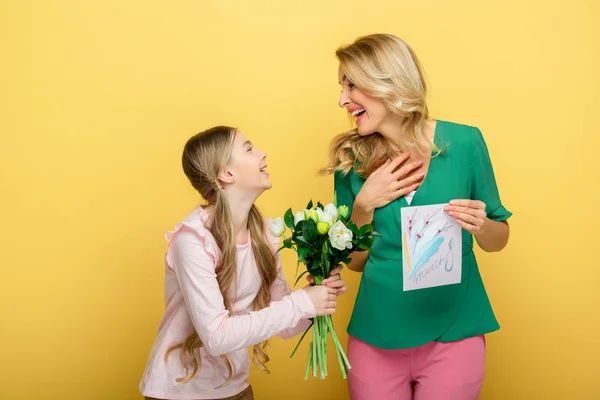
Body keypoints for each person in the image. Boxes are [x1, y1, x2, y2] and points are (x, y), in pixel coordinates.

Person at [324, 33, 512, 399]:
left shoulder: (465, 143)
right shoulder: (350, 160)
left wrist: (482, 225)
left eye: (351, 85)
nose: (341, 99)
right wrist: (364, 205)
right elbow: (355, 264)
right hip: (377, 334)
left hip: (455, 331)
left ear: (386, 81)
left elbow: (499, 239)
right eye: (340, 87)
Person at [140, 126, 347, 400]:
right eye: (249, 149)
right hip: (179, 392)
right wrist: (301, 303)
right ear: (227, 173)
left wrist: (316, 298)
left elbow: (284, 324)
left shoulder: (264, 234)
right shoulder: (192, 241)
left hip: (236, 389)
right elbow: (217, 337)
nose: (262, 154)